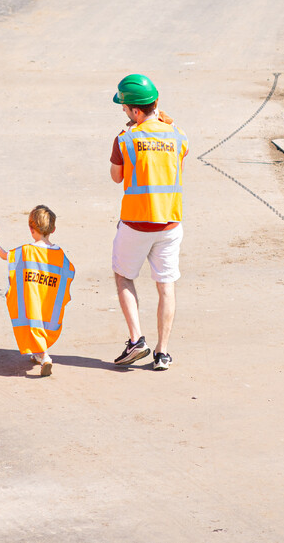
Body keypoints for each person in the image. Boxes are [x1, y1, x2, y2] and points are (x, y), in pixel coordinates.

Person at [108, 73, 188, 372]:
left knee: (123, 276)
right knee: (166, 285)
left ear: (136, 111)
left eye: (126, 108)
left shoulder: (126, 140)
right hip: (170, 224)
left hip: (136, 224)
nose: (124, 112)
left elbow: (117, 177)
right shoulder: (178, 135)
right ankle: (162, 352)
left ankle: (135, 339)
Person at [0, 205, 74, 378]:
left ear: (31, 229)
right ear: (53, 229)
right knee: (42, 330)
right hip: (48, 305)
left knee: (33, 329)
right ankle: (39, 354)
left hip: (31, 304)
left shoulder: (26, 251)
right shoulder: (59, 255)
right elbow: (69, 271)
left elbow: (4, 255)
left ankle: (44, 357)